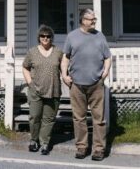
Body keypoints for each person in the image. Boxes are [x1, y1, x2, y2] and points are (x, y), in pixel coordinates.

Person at [61, 8, 112, 161]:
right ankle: (82, 148)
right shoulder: (72, 37)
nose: (94, 21)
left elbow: (108, 57)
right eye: (91, 19)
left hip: (96, 84)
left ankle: (98, 149)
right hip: (76, 84)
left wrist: (105, 71)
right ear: (83, 20)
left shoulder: (99, 36)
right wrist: (64, 75)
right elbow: (66, 57)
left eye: (94, 19)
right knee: (79, 118)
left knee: (99, 119)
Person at [22, 24, 63, 155]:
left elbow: (65, 68)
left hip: (53, 90)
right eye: (42, 36)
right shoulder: (32, 52)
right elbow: (25, 67)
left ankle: (45, 143)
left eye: (48, 36)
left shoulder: (58, 52)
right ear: (38, 37)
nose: (45, 38)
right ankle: (34, 140)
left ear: (52, 38)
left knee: (49, 119)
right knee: (34, 117)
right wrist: (29, 82)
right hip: (35, 90)